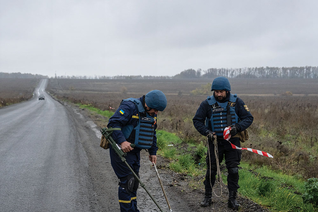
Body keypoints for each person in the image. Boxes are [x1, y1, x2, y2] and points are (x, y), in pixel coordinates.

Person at [193, 76, 253, 210]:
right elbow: (197, 120)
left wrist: (236, 128)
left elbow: (248, 118)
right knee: (211, 170)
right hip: (214, 143)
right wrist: (207, 132)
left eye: (221, 91)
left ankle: (232, 199)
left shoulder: (237, 102)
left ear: (227, 91)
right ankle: (207, 197)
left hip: (233, 142)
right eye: (216, 91)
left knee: (233, 170)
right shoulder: (206, 104)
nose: (218, 94)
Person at [107, 90, 167, 212]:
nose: (156, 113)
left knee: (134, 183)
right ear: (147, 104)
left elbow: (152, 132)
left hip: (134, 152)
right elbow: (113, 123)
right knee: (127, 182)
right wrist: (122, 141)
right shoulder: (129, 107)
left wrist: (153, 151)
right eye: (155, 110)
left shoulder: (151, 112)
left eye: (157, 111)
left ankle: (133, 209)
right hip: (120, 151)